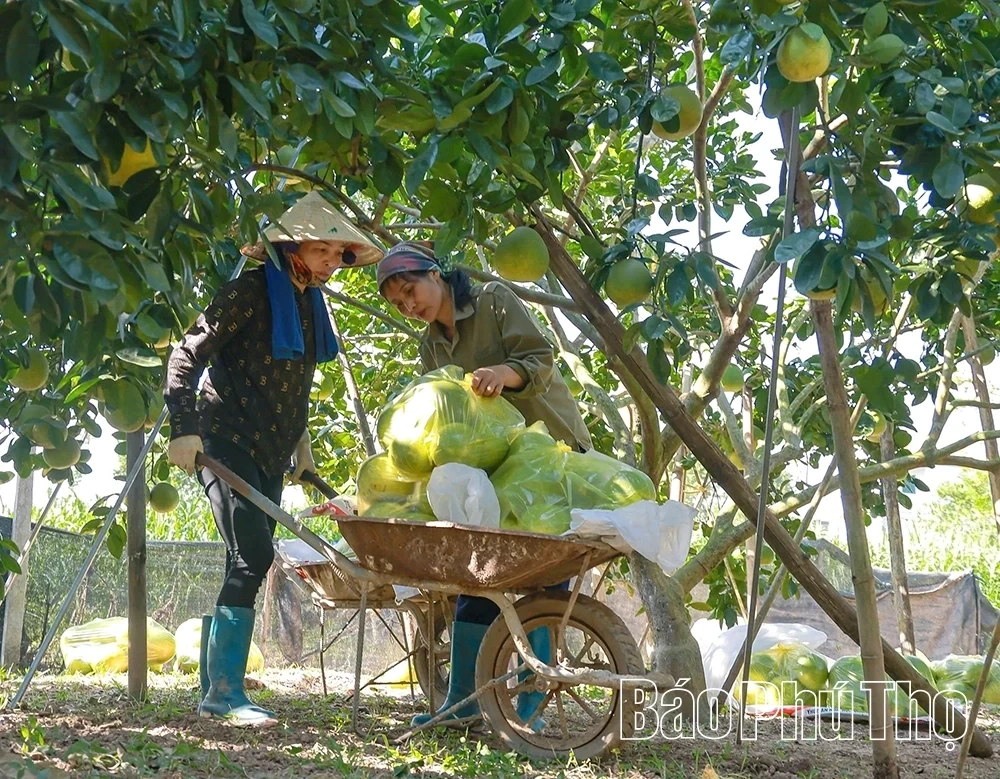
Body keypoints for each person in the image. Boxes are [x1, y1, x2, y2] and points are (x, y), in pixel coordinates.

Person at [164, 191, 383, 726]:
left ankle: (213, 685)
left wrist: (301, 449)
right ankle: (224, 695)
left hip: (270, 448)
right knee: (255, 554)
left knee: (243, 552)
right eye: (327, 251)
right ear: (293, 246)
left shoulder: (309, 306)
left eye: (340, 256)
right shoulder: (249, 291)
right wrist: (183, 431)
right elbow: (185, 354)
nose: (334, 264)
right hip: (225, 439)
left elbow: (295, 384)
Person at [377, 241, 592, 731]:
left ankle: (532, 706)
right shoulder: (430, 343)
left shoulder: (494, 299)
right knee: (475, 571)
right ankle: (464, 702)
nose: (410, 306)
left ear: (437, 274)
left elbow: (540, 358)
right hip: (493, 470)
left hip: (549, 457)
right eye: (398, 304)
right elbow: (443, 413)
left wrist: (503, 373)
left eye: (411, 291)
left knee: (543, 577)